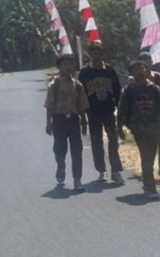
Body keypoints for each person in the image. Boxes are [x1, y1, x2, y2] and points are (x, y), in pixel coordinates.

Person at [118, 58, 160, 199]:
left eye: (143, 68)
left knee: (151, 157)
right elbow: (122, 109)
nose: (141, 71)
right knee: (146, 156)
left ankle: (147, 183)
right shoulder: (128, 90)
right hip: (138, 128)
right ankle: (151, 188)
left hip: (154, 127)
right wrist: (119, 127)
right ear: (131, 73)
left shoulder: (154, 88)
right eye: (137, 69)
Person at [78, 40, 124, 184]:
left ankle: (115, 171)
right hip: (92, 112)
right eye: (94, 51)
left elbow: (117, 91)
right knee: (97, 142)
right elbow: (81, 94)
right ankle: (101, 171)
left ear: (103, 53)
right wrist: (83, 116)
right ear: (90, 53)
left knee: (113, 141)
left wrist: (120, 111)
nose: (97, 54)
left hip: (108, 111)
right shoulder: (85, 72)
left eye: (99, 51)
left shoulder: (109, 71)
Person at [45, 53, 90, 192]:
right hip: (59, 121)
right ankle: (61, 165)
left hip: (73, 122)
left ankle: (77, 180)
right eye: (65, 64)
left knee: (77, 150)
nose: (69, 67)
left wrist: (84, 122)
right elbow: (49, 106)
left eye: (71, 64)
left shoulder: (78, 85)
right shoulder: (54, 85)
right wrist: (48, 123)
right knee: (60, 149)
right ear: (59, 67)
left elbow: (82, 105)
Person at [135, 51, 160, 177]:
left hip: (158, 115)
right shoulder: (134, 80)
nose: (146, 65)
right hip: (142, 116)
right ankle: (147, 168)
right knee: (147, 144)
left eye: (148, 61)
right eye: (143, 62)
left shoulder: (157, 76)